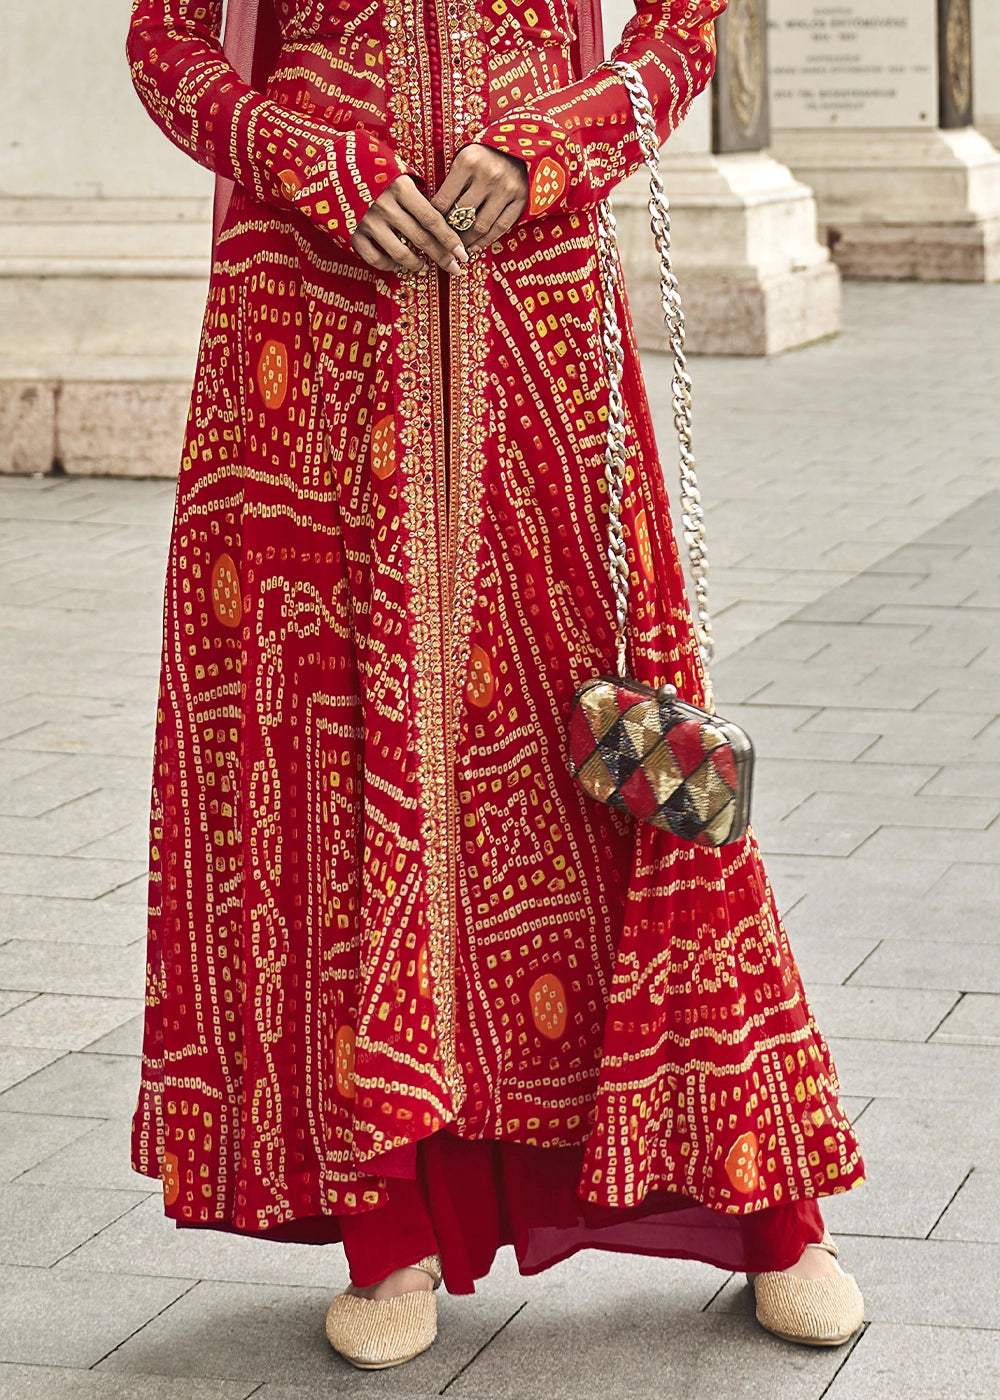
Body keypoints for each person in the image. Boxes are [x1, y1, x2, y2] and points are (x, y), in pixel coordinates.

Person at [125, 0, 866, 1372]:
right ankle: (388, 1222)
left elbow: (688, 26)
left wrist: (554, 144)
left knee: (629, 748)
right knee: (334, 741)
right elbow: (165, 46)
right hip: (313, 325)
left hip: (539, 318)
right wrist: (312, 161)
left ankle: (772, 1204)